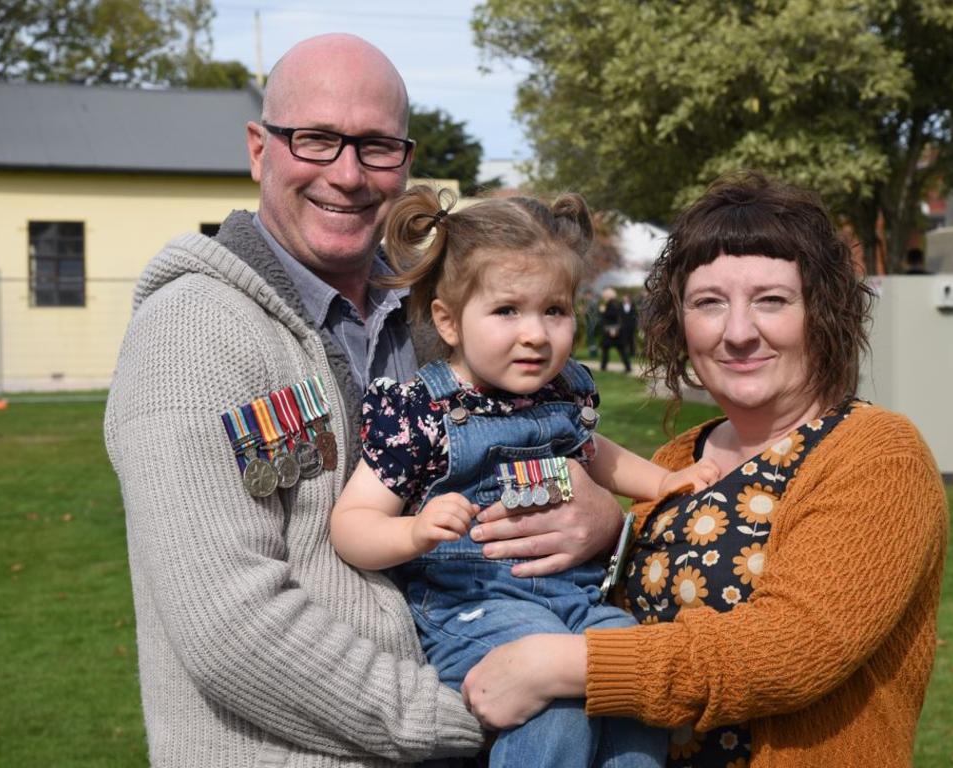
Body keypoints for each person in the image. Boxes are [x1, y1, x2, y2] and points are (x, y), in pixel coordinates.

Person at [104, 33, 625, 768]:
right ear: (260, 149)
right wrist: (461, 713)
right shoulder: (193, 334)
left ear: (405, 165)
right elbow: (231, 627)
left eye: (376, 146)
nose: (347, 174)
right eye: (316, 139)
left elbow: (516, 455)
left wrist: (601, 517)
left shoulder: (436, 318)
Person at [460, 172, 949, 767]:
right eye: (709, 303)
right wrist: (608, 532)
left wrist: (562, 664)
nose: (738, 332)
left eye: (771, 300)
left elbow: (791, 648)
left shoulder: (877, 453)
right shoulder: (675, 460)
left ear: (823, 310)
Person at [330, 185, 720, 768]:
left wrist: (663, 483)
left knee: (634, 682)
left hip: (577, 598)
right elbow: (350, 525)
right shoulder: (423, 411)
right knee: (555, 703)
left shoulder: (563, 393)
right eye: (507, 310)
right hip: (475, 608)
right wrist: (413, 534)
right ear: (450, 320)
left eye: (554, 311)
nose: (535, 333)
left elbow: (595, 453)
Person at [598, 287, 631, 372]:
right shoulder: (614, 304)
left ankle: (604, 367)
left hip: (613, 331)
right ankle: (604, 367)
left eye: (605, 296)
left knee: (616, 349)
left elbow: (613, 316)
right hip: (613, 331)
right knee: (613, 349)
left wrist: (603, 311)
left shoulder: (612, 304)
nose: (603, 297)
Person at [619, 292, 640, 361]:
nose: (625, 299)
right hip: (624, 326)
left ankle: (632, 353)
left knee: (632, 339)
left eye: (626, 298)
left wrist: (635, 324)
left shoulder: (633, 305)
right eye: (624, 298)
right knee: (624, 340)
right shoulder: (620, 305)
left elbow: (635, 315)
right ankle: (625, 353)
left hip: (631, 325)